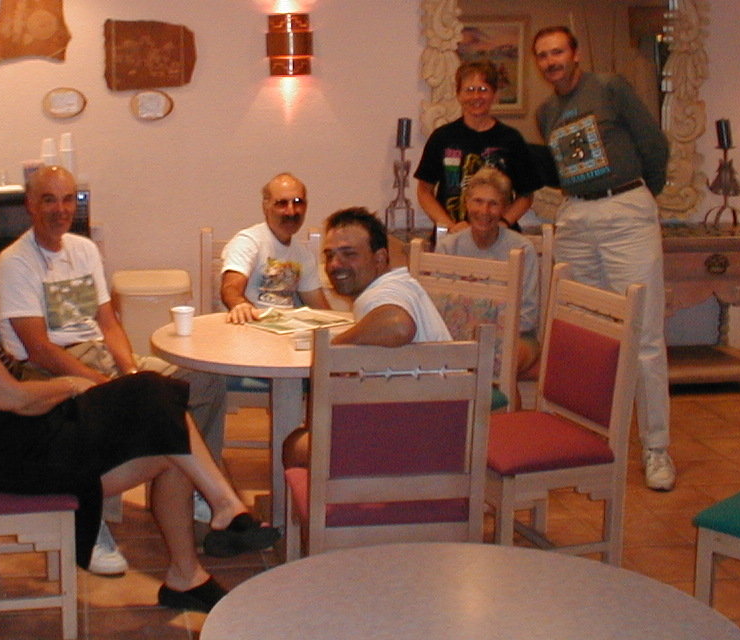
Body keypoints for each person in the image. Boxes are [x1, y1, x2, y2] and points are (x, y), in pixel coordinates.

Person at [0, 214, 278, 612]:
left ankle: (188, 572)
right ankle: (223, 505)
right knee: (152, 392)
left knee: (169, 436)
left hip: (19, 441)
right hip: (13, 459)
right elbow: (13, 398)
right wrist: (70, 385)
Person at [0, 165, 228, 572]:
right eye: (49, 200)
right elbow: (40, 349)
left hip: (100, 356)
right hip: (52, 372)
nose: (60, 209)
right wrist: (109, 386)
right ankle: (90, 512)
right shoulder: (15, 263)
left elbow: (108, 322)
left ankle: (190, 486)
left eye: (68, 199)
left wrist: (131, 372)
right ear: (30, 205)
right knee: (122, 408)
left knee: (205, 382)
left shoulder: (83, 250)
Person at [532, 25, 675, 491]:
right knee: (585, 331)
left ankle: (656, 449)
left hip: (625, 212)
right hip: (576, 218)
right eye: (543, 56)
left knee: (644, 336)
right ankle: (589, 439)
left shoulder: (611, 88)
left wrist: (636, 196)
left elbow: (654, 146)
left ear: (575, 54)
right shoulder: (546, 112)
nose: (551, 62)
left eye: (558, 52)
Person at [283, 207, 451, 468]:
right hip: (444, 434)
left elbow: (398, 325)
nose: (335, 265)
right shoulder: (402, 285)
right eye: (330, 255)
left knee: (296, 446)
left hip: (418, 443)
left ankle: (340, 492)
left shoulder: (379, 295)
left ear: (380, 258)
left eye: (349, 254)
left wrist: (335, 346)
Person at [415, 60, 542, 234]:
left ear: (495, 95)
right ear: (458, 95)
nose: (476, 96)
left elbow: (526, 195)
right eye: (469, 90)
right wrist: (450, 226)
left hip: (500, 239)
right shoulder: (442, 137)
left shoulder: (511, 139)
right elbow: (424, 192)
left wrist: (502, 224)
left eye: (483, 89)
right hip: (453, 238)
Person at [437, 167, 541, 377]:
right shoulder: (448, 247)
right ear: (466, 203)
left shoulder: (523, 249)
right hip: (458, 336)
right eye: (478, 201)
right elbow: (438, 306)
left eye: (493, 204)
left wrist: (489, 337)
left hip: (514, 335)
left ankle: (503, 398)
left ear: (505, 208)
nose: (484, 211)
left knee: (498, 363)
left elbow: (528, 315)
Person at [221, 172, 330, 323]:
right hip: (250, 326)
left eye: (298, 202)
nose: (291, 211)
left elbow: (321, 310)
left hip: (288, 330)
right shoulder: (248, 242)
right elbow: (230, 289)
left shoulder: (304, 255)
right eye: (282, 203)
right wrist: (240, 305)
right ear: (266, 207)